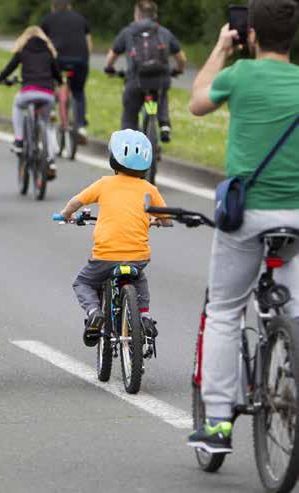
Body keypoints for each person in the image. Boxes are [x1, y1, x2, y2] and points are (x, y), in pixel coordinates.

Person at [187, 0, 299, 454]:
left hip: (247, 215)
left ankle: (217, 422)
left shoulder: (240, 75)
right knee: (293, 310)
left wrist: (219, 50)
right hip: (296, 216)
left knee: (225, 310)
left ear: (250, 35)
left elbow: (197, 102)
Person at [57, 129, 168, 346]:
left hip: (105, 256)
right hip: (137, 256)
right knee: (139, 278)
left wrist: (65, 215)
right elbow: (165, 218)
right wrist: (158, 221)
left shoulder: (104, 184)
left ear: (113, 159)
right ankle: (144, 316)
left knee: (83, 283)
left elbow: (77, 202)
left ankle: (93, 312)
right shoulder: (149, 189)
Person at [104, 0, 186, 143]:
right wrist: (178, 70)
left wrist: (109, 69)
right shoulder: (164, 32)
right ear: (155, 15)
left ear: (137, 14)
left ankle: (128, 144)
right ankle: (164, 124)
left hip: (136, 81)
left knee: (129, 114)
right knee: (161, 93)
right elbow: (182, 59)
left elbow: (111, 57)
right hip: (159, 80)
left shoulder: (128, 32)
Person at [0, 26, 62, 175]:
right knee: (47, 125)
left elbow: (9, 69)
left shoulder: (23, 50)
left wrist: (0, 78)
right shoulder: (48, 51)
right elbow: (57, 75)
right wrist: (58, 81)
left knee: (18, 105)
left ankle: (19, 140)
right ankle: (50, 160)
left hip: (28, 93)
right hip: (47, 95)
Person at [41, 0, 91, 140]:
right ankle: (81, 126)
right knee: (78, 92)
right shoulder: (81, 19)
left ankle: (51, 111)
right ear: (69, 6)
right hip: (79, 61)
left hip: (58, 60)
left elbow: (42, 42)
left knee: (49, 82)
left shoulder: (47, 19)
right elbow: (88, 43)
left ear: (53, 7)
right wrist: (85, 60)